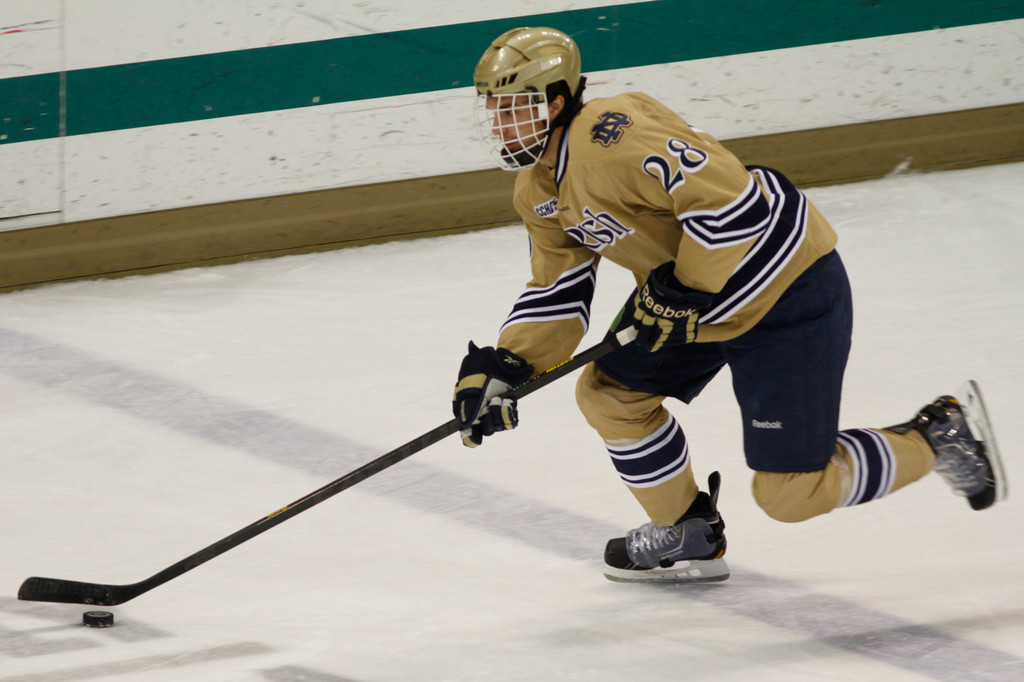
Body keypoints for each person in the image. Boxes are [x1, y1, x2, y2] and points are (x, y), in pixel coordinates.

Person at [451, 26, 1006, 582]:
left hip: (785, 288)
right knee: (609, 395)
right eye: (492, 110)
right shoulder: (536, 191)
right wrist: (508, 366)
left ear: (556, 101)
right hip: (697, 305)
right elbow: (558, 288)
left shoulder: (611, 135)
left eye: (511, 108)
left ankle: (938, 438)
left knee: (790, 493)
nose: (499, 125)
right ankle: (688, 529)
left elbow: (733, 203)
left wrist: (684, 293)